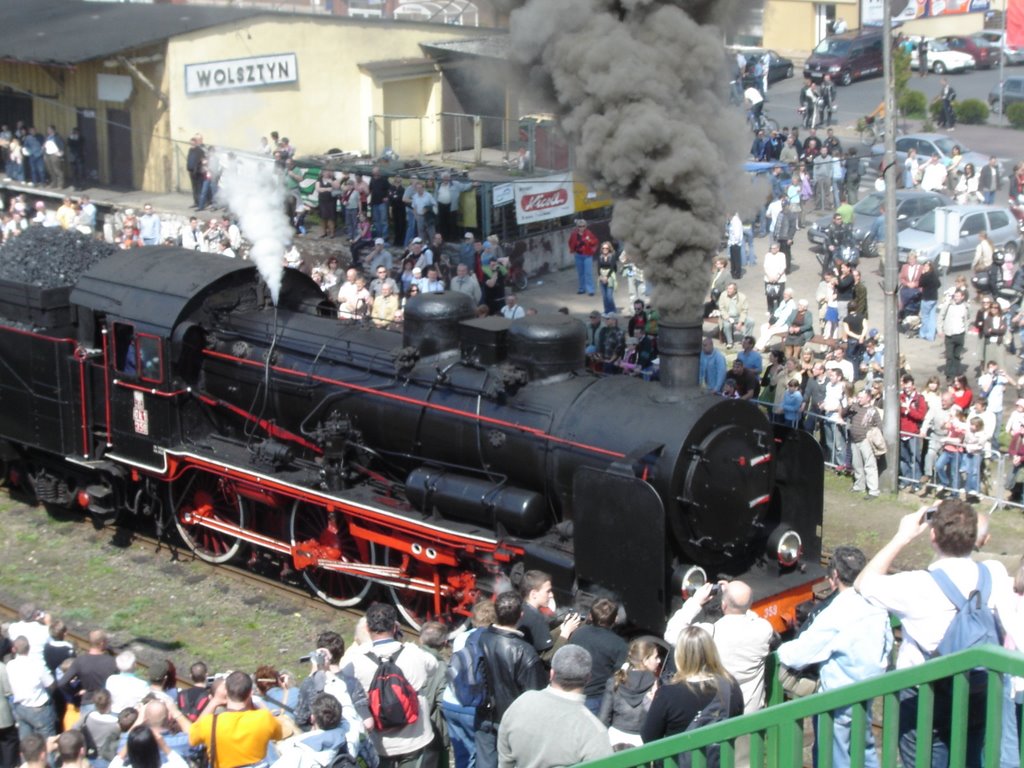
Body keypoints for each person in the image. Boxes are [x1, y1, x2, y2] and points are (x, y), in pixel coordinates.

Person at [856, 500, 1022, 768]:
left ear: (933, 535)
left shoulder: (918, 585)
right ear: (975, 538)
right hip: (978, 690)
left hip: (926, 696)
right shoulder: (994, 572)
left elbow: (863, 583)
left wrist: (902, 536)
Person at [777, 547, 892, 768]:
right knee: (864, 748)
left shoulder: (836, 612)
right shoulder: (876, 603)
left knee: (834, 756)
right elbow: (887, 645)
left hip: (838, 697)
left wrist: (781, 649)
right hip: (868, 689)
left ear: (835, 576)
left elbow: (799, 654)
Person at [346, 603, 436, 768]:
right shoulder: (414, 652)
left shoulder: (355, 660)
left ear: (367, 628)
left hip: (380, 744)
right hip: (415, 737)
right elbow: (433, 666)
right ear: (395, 627)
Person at [664, 581, 775, 714]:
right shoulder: (763, 629)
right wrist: (738, 600)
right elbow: (747, 612)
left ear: (724, 605)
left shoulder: (709, 633)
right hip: (751, 713)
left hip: (719, 714)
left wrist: (695, 601)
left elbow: (671, 633)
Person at [496, 646, 611, 768]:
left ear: (551, 674)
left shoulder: (522, 702)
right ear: (588, 679)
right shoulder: (593, 730)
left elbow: (505, 758)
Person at [640, 626, 743, 759]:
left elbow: (649, 737)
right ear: (711, 651)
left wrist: (653, 703)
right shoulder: (730, 685)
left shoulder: (666, 694)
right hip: (718, 760)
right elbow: (737, 719)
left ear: (680, 655)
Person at [474, 591, 547, 768]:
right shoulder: (526, 652)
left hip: (484, 713)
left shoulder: (480, 638)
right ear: (521, 615)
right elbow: (535, 697)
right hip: (511, 721)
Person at [188, 671, 283, 768]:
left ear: (227, 692)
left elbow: (192, 737)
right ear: (250, 693)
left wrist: (215, 701)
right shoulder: (264, 718)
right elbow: (279, 734)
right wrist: (258, 703)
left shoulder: (209, 723)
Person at [566, 599, 627, 716]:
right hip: (597, 699)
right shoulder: (620, 645)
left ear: (590, 616)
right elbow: (619, 676)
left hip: (573, 692)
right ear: (615, 619)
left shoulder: (578, 633)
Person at [597, 638, 660, 749]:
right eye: (655, 657)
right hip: (644, 742)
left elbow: (603, 718)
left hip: (615, 739)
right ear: (645, 660)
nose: (659, 661)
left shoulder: (615, 681)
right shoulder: (657, 685)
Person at [568, 220, 599, 297]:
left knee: (588, 273)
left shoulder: (588, 233)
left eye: (583, 226)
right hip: (578, 255)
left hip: (587, 255)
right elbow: (570, 242)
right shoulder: (574, 234)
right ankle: (582, 288)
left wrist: (589, 240)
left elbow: (595, 242)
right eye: (579, 226)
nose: (581, 228)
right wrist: (573, 250)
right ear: (577, 227)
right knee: (581, 273)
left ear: (585, 226)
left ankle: (591, 290)